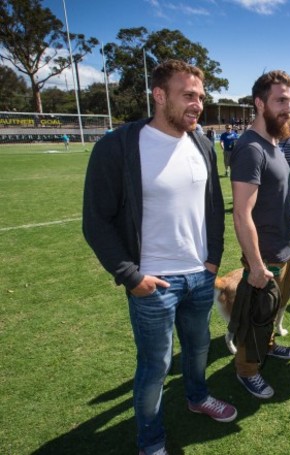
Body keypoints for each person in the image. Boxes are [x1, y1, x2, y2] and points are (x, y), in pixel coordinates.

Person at [82, 60, 236, 455]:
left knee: (199, 349)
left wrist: (213, 260)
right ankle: (150, 441)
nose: (197, 104)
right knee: (155, 368)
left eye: (200, 97)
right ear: (159, 95)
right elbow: (96, 221)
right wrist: (131, 276)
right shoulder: (117, 146)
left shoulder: (203, 144)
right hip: (152, 284)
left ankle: (197, 396)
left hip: (200, 277)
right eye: (188, 96)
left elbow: (214, 208)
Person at [230, 70, 290, 400]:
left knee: (269, 313)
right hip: (264, 257)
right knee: (254, 318)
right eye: (280, 100)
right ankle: (246, 370)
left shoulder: (274, 142)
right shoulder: (251, 149)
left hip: (281, 251)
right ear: (260, 104)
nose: (288, 107)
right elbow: (241, 213)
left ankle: (267, 348)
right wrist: (256, 265)